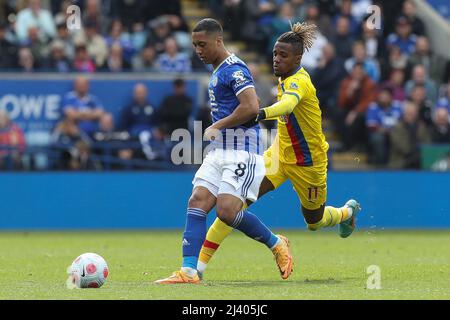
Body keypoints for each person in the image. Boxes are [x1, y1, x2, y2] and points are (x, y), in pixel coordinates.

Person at [196, 22, 361, 279]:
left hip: (309, 163)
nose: (276, 59)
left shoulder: (300, 82)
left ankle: (346, 213)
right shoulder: (283, 79)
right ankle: (198, 268)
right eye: (275, 53)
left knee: (314, 222)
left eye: (283, 55)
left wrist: (259, 113)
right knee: (233, 204)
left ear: (298, 58)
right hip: (278, 155)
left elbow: (287, 106)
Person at [155, 18, 293, 284]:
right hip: (220, 150)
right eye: (195, 45)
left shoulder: (234, 68)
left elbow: (252, 107)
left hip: (243, 150)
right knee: (197, 201)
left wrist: (217, 124)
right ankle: (188, 271)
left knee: (226, 211)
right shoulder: (218, 69)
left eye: (202, 44)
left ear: (218, 41)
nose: (198, 50)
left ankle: (276, 243)